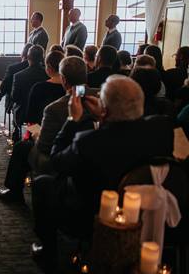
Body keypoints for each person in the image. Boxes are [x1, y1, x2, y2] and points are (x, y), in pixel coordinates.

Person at [32, 76, 174, 269]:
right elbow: (124, 134)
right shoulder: (162, 128)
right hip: (148, 209)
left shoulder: (88, 142)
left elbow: (57, 162)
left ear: (105, 108)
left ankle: (48, 252)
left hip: (93, 213)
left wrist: (72, 120)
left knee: (42, 183)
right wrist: (105, 117)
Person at [0, 56, 90, 203]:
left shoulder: (55, 108)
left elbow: (44, 146)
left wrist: (36, 135)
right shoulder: (97, 99)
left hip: (60, 156)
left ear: (64, 80)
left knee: (22, 147)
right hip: (88, 154)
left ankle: (14, 192)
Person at [24, 51, 66, 125]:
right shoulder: (71, 87)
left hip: (43, 128)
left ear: (49, 67)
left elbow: (30, 116)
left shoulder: (38, 87)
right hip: (68, 130)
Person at [12, 45, 48, 127]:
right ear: (42, 58)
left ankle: (16, 132)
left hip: (24, 113)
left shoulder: (18, 76)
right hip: (43, 112)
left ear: (28, 57)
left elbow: (15, 97)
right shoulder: (47, 75)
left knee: (14, 106)